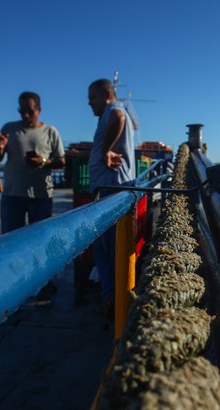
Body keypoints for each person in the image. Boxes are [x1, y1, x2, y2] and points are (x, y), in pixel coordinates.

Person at [87, 78, 136, 316]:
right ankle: (112, 299)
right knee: (104, 248)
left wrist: (105, 151)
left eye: (92, 98)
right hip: (108, 187)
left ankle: (115, 302)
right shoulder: (108, 112)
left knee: (108, 248)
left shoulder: (113, 110)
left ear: (107, 94)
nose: (90, 104)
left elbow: (119, 118)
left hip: (111, 188)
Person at [0, 91, 65, 234]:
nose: (25, 115)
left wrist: (43, 161)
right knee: (10, 239)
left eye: (30, 111)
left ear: (39, 110)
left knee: (40, 238)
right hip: (12, 195)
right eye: (21, 111)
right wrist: (0, 147)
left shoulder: (50, 132)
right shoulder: (9, 129)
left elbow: (61, 161)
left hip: (41, 196)